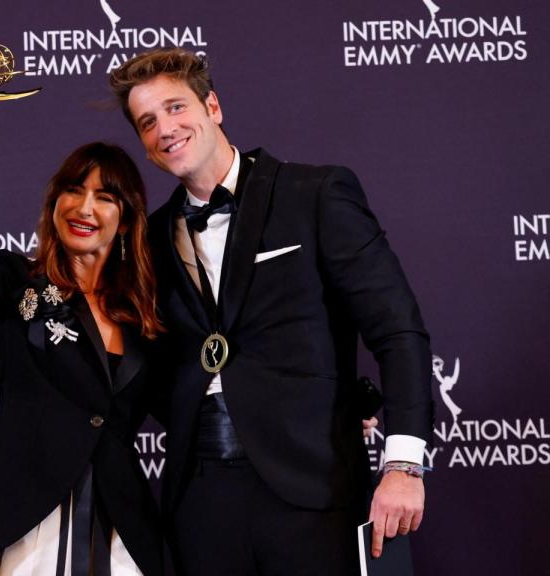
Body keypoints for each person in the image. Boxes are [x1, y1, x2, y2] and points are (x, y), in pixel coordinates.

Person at [108, 49, 434, 575]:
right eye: (148, 122)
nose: (165, 129)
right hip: (200, 497)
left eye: (175, 107)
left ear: (212, 106)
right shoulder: (149, 238)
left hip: (314, 487)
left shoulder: (315, 194)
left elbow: (398, 332)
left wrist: (403, 465)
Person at [0, 72, 165, 575]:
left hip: (120, 526)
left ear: (128, 219)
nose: (85, 207)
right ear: (54, 203)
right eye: (74, 190)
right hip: (22, 520)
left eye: (105, 197)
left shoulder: (145, 314)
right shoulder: (11, 284)